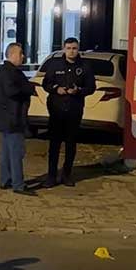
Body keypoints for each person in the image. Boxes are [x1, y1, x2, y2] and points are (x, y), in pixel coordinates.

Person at [40, 37, 96, 187]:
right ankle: (51, 176)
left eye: (74, 48)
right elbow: (45, 83)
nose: (72, 51)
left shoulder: (85, 66)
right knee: (54, 144)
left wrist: (79, 91)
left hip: (74, 109)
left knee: (71, 144)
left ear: (78, 49)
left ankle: (67, 175)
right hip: (56, 110)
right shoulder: (54, 64)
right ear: (64, 49)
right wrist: (56, 89)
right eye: (69, 48)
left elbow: (91, 87)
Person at [0, 42, 37, 196]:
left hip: (8, 118)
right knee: (16, 151)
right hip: (12, 118)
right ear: (11, 55)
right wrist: (28, 89)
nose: (23, 56)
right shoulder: (8, 72)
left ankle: (6, 180)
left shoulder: (9, 71)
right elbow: (12, 91)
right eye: (20, 53)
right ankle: (18, 184)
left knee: (8, 151)